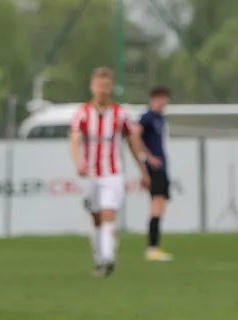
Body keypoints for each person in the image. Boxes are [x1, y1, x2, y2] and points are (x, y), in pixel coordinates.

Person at [68, 68, 152, 278]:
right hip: (91, 174)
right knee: (96, 217)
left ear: (111, 88)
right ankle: (100, 259)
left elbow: (133, 143)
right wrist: (79, 162)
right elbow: (75, 140)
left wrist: (143, 171)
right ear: (92, 87)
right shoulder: (82, 114)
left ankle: (108, 257)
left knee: (108, 214)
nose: (102, 90)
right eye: (99, 85)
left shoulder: (121, 114)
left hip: (113, 173)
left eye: (106, 86)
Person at [138, 85, 174, 262]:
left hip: (162, 166)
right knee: (157, 205)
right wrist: (149, 157)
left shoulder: (160, 118)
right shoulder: (147, 117)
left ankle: (154, 247)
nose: (165, 103)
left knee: (161, 206)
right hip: (155, 167)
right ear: (155, 98)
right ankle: (152, 248)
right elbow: (135, 136)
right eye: (163, 99)